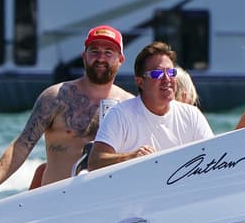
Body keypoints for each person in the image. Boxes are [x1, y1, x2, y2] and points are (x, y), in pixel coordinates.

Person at [0, 25, 133, 223]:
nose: (100, 58)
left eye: (108, 52)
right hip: (52, 207)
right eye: (94, 51)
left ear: (120, 59)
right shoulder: (56, 97)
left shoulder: (129, 105)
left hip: (101, 211)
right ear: (84, 56)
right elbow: (22, 145)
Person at [87, 42, 213, 170]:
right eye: (157, 74)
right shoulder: (120, 114)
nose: (166, 79)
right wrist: (131, 157)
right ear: (140, 82)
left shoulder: (192, 115)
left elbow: (214, 156)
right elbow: (94, 162)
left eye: (170, 72)